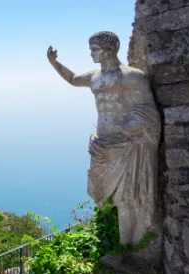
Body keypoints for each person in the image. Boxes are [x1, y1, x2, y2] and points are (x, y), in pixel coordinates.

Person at [46, 31, 160, 246]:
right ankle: (115, 240)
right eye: (91, 49)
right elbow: (72, 79)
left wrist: (130, 128)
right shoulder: (95, 77)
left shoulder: (132, 76)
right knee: (100, 191)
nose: (91, 54)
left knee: (128, 197)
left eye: (95, 49)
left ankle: (130, 246)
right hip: (102, 144)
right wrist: (54, 63)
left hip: (125, 144)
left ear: (110, 50)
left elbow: (148, 112)